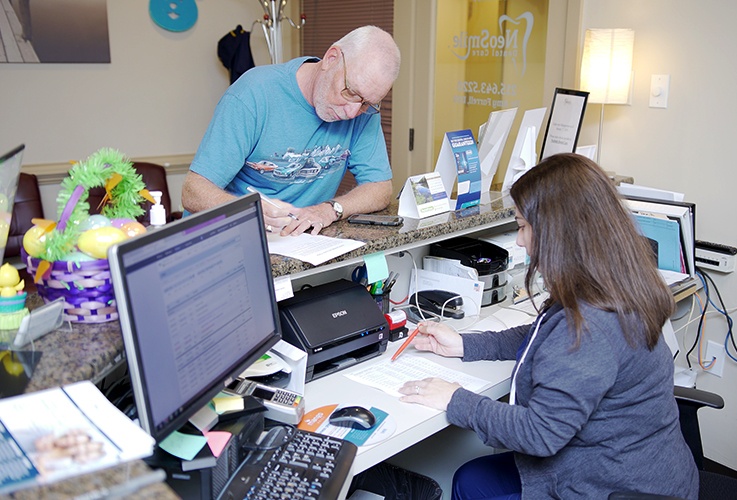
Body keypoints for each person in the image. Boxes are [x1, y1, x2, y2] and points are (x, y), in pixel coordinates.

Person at [398, 153, 698, 499]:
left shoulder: (592, 327)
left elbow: (539, 433)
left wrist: (455, 399)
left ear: (558, 232)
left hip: (611, 485)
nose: (520, 240)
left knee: (473, 482)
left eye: (523, 226)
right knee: (471, 479)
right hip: (640, 464)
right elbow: (543, 335)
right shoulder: (613, 283)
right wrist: (466, 345)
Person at [182, 25, 401, 236]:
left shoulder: (362, 108)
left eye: (366, 103)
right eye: (350, 93)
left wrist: (331, 209)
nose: (353, 112)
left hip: (295, 242)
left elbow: (379, 188)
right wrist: (251, 211)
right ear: (331, 58)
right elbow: (193, 192)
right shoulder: (253, 94)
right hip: (226, 236)